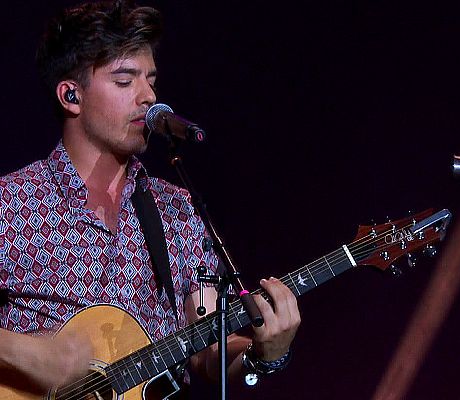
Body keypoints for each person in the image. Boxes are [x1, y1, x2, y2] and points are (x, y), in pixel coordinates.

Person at [0, 0, 300, 394]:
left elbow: (207, 350)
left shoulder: (174, 207)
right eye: (125, 81)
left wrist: (264, 354)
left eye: (151, 80)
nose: (147, 97)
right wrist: (32, 354)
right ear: (71, 96)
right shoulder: (12, 202)